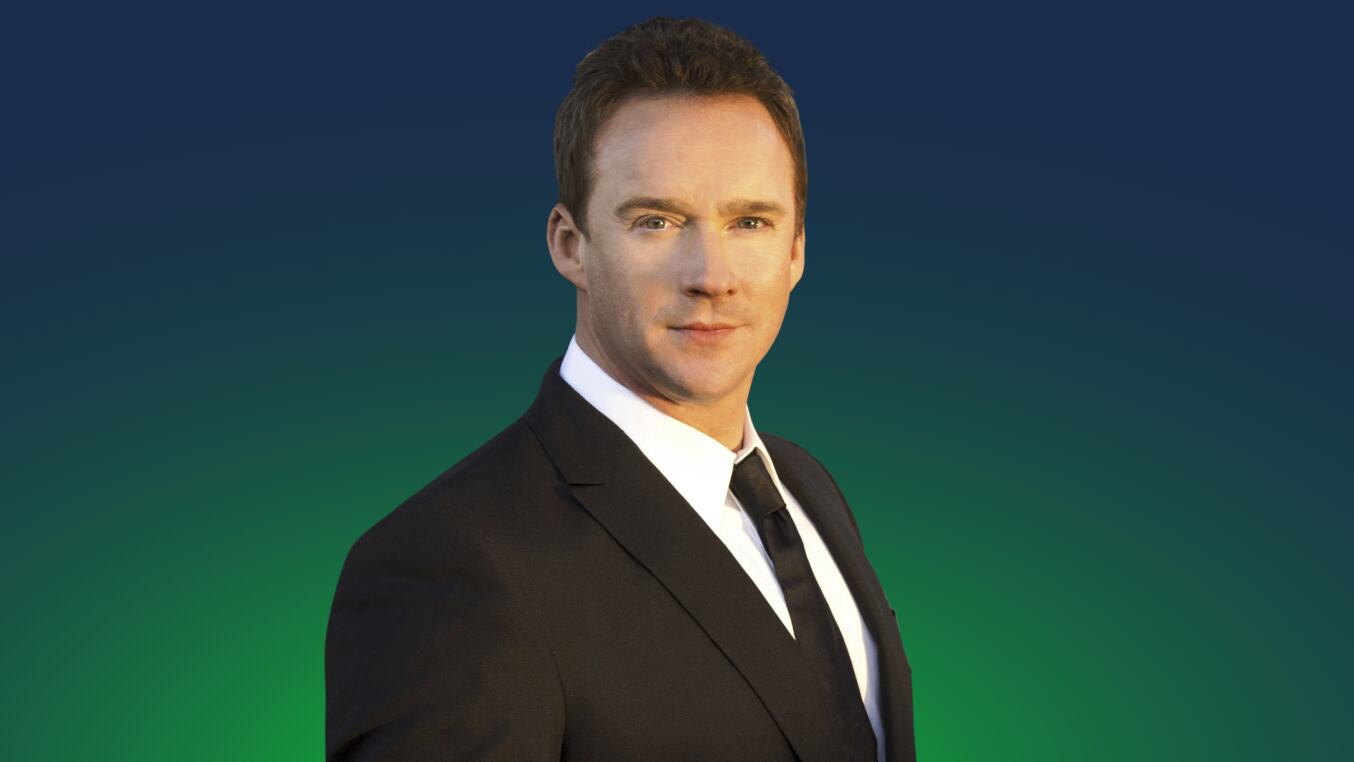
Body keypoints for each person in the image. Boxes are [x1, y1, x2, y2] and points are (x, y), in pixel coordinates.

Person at [325, 16, 915, 762]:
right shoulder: (447, 566)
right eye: (657, 221)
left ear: (796, 249)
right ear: (570, 244)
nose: (711, 276)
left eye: (750, 222)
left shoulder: (804, 486)